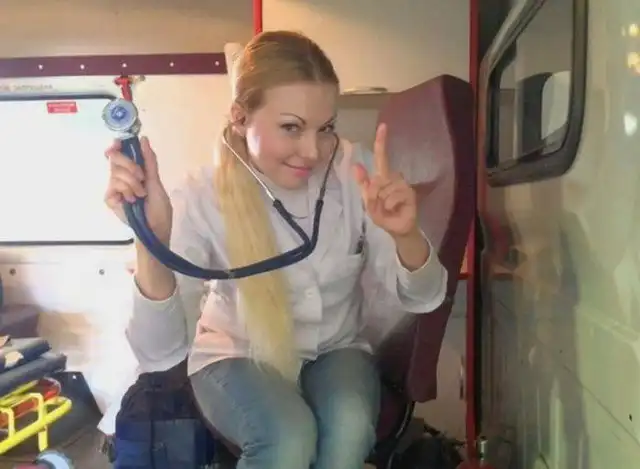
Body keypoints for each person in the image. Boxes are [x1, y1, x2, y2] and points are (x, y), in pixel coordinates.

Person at [104, 30, 447, 469]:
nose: (312, 151)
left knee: (348, 430)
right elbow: (160, 351)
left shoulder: (356, 171)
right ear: (240, 117)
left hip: (336, 347)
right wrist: (150, 239)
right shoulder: (201, 196)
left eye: (325, 128)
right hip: (236, 351)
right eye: (291, 127)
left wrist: (406, 235)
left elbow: (424, 296)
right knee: (287, 438)